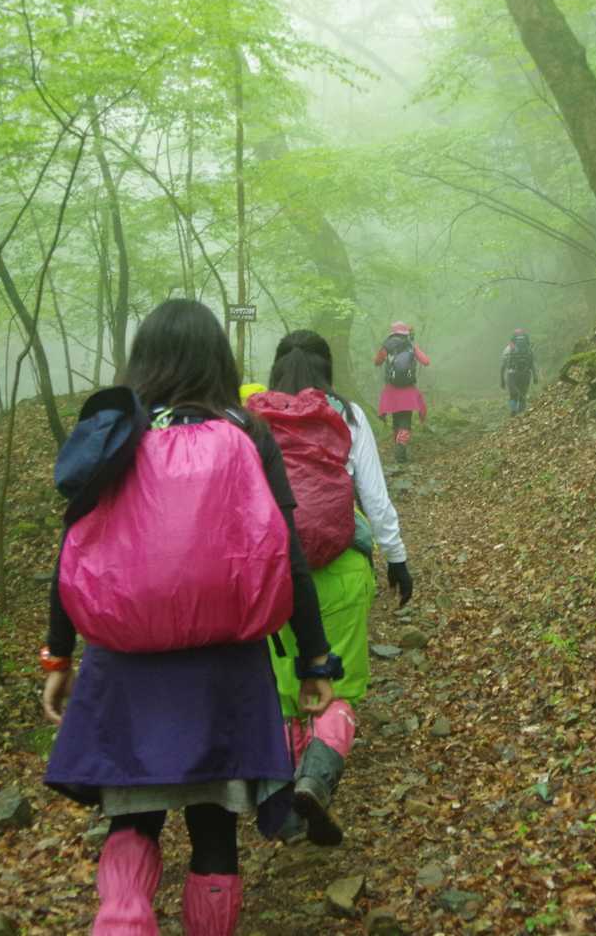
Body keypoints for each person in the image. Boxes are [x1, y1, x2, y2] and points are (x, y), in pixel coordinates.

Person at [41, 299, 338, 936]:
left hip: (125, 664)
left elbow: (73, 547)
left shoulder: (116, 432)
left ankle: (122, 919)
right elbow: (285, 551)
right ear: (218, 360)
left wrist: (58, 654)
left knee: (132, 814)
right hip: (224, 666)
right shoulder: (245, 430)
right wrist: (314, 658)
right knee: (213, 825)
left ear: (142, 360)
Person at [259, 330, 415, 846]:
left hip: (275, 575)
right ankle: (316, 779)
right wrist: (397, 557)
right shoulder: (345, 414)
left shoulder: (254, 420)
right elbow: (374, 495)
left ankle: (290, 798)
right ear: (326, 370)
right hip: (340, 567)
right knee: (337, 688)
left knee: (288, 689)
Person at [373, 321, 430, 463]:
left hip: (391, 389)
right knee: (405, 419)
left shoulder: (387, 345)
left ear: (393, 333)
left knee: (396, 418)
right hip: (408, 389)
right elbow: (426, 361)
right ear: (406, 333)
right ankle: (401, 448)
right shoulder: (411, 345)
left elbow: (377, 362)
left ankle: (398, 447)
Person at [500, 328, 539, 416]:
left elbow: (503, 366)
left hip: (512, 374)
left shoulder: (509, 349)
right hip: (525, 374)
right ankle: (520, 413)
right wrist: (535, 376)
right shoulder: (529, 349)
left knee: (513, 395)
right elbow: (532, 363)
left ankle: (514, 412)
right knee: (522, 394)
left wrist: (502, 380)